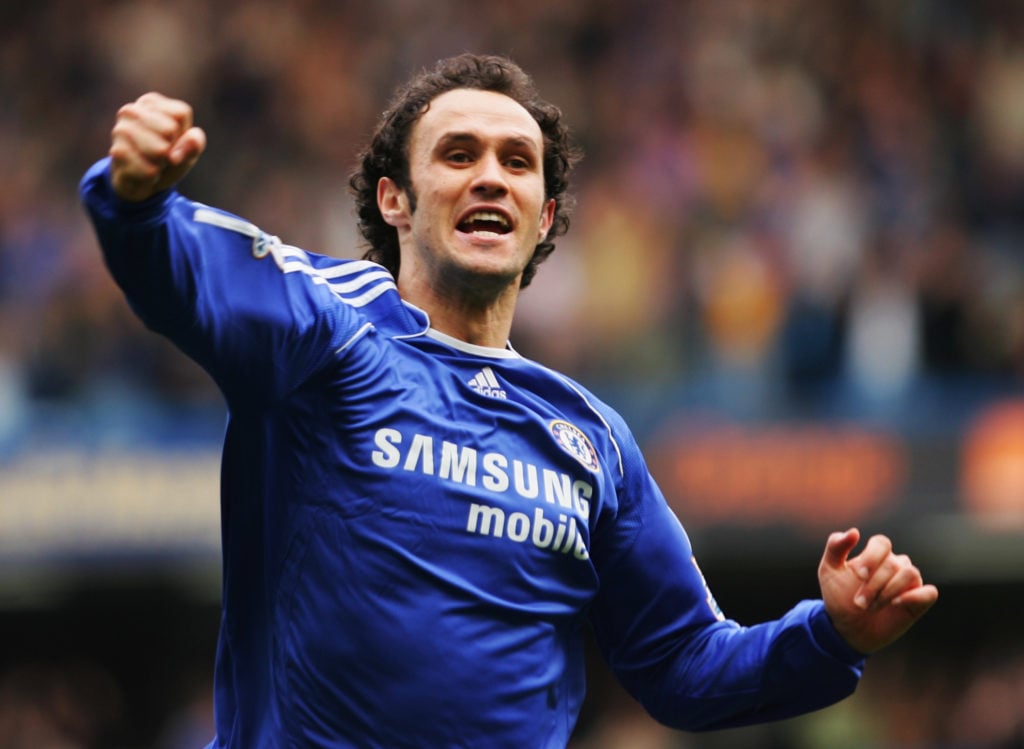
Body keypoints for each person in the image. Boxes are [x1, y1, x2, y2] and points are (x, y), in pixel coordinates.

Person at [80, 53, 938, 748]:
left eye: (516, 162)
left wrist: (828, 635)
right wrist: (137, 198)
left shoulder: (590, 439)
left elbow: (681, 664)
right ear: (396, 201)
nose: (491, 176)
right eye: (459, 155)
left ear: (543, 214)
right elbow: (184, 276)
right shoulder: (327, 328)